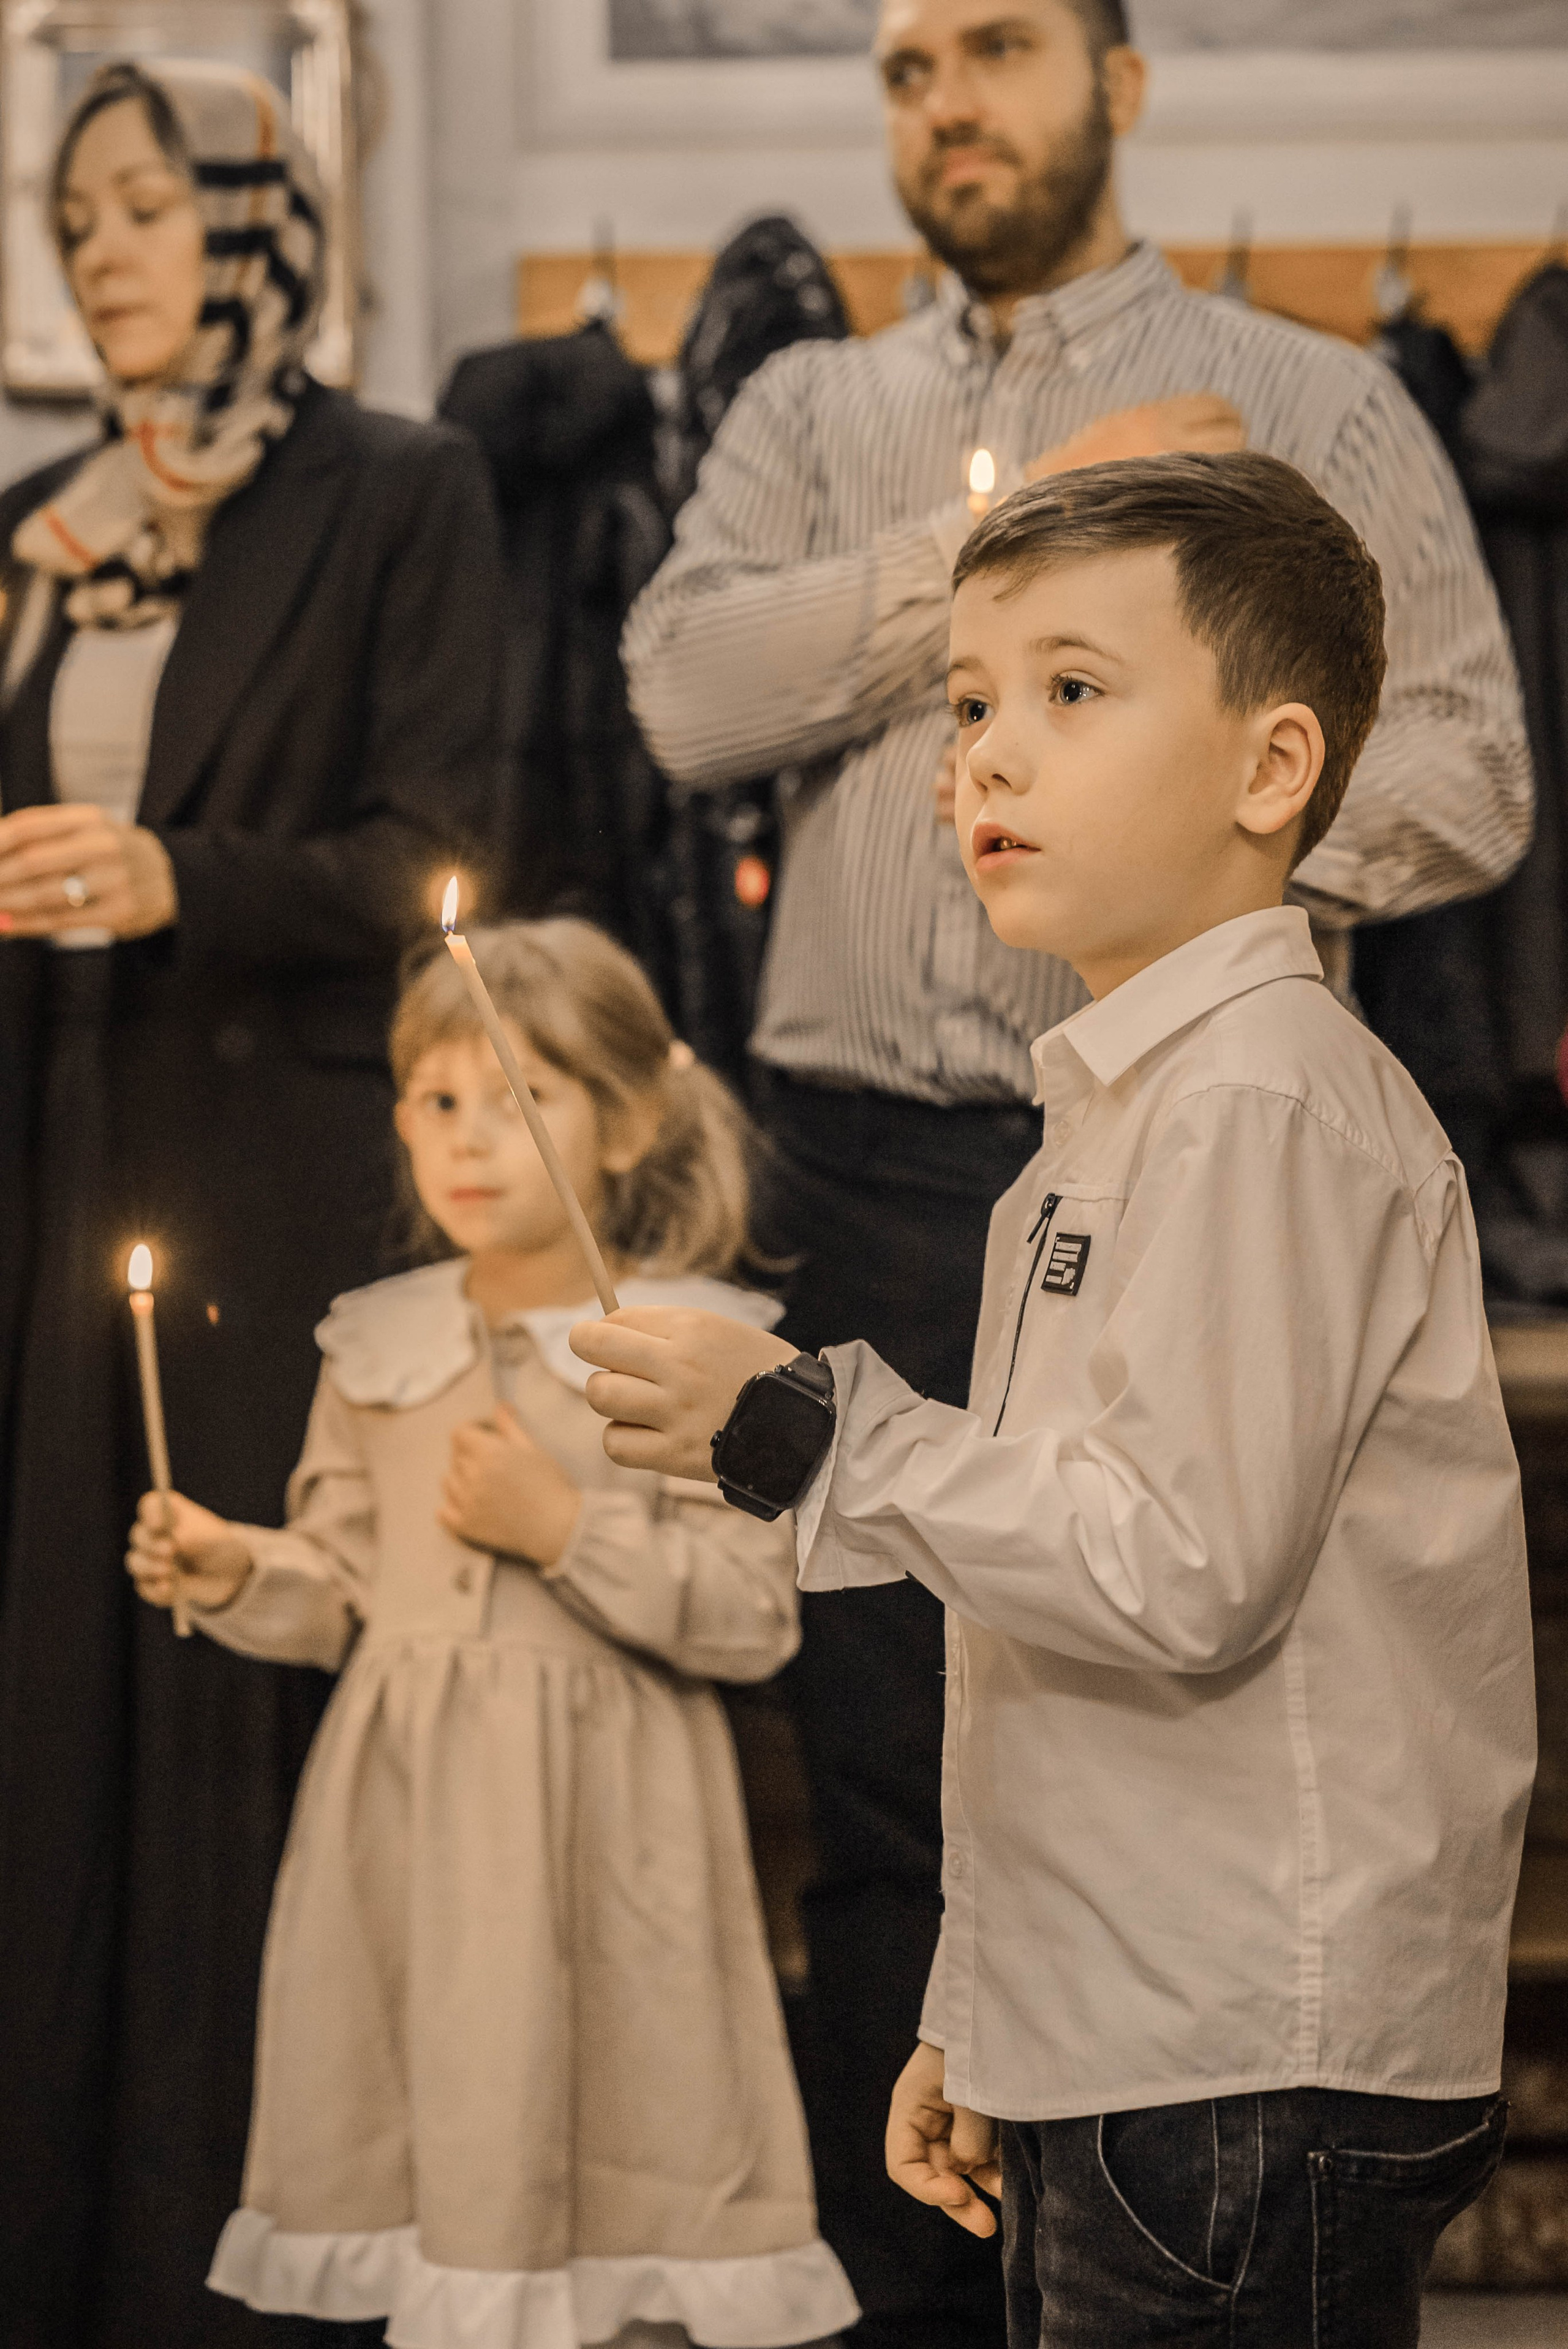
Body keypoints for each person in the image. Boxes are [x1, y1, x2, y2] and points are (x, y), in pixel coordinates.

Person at [620, 5, 1532, 2337]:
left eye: (999, 42)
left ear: (1119, 73)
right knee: (902, 1771)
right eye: (971, 712)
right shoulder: (815, 403)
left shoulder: (1311, 398)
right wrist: (990, 566)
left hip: (1248, 2040)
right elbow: (688, 698)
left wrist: (1234, 824)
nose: (981, 763)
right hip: (891, 1137)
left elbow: (1470, 774)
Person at [0, 59, 505, 2349]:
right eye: (68, 209)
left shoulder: (398, 488)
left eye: (142, 202)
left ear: (255, 222)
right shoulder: (37, 518)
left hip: (274, 1179)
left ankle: (231, 2281)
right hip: (54, 1153)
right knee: (54, 1706)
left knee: (227, 1703)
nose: (96, 244)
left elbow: (438, 860)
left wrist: (174, 873)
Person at [126, 918, 860, 2349]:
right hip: (407, 1840)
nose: (468, 1143)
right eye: (436, 1104)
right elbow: (344, 1588)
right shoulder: (374, 1345)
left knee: (617, 2168)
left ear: (628, 1120)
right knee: (437, 2151)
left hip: (610, 1836)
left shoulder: (687, 1346)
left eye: (520, 1102)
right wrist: (229, 1568)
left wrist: (562, 1528)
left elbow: (752, 1616)